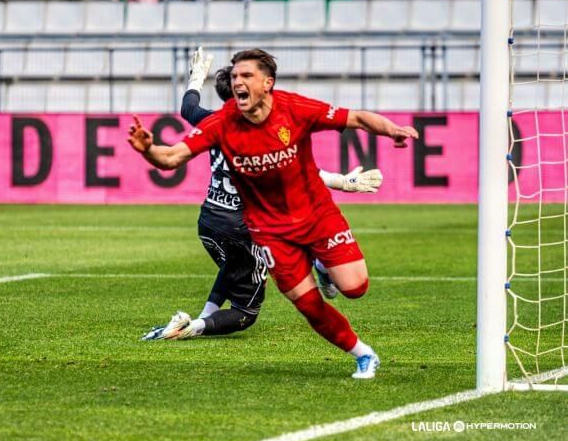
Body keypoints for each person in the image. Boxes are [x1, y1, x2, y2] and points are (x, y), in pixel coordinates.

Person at [128, 49, 419, 379]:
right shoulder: (220, 124)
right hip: (268, 231)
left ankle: (321, 266)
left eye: (246, 76)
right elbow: (171, 158)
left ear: (268, 83)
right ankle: (363, 354)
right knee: (307, 305)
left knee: (355, 287)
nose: (238, 82)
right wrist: (148, 149)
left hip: (316, 215)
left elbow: (357, 118)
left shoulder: (295, 108)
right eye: (235, 77)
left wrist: (392, 130)